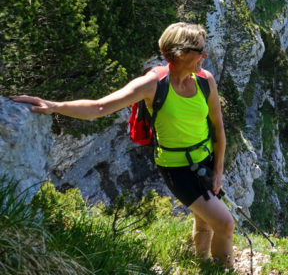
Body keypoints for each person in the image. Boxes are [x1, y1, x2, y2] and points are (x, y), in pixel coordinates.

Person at [10, 22, 235, 268]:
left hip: (206, 159)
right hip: (177, 168)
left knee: (204, 220)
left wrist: (218, 169)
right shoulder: (152, 84)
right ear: (180, 53)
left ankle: (201, 265)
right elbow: (99, 108)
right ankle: (224, 270)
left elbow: (218, 127)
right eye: (200, 51)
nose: (205, 55)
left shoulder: (205, 80)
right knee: (224, 223)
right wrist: (55, 106)